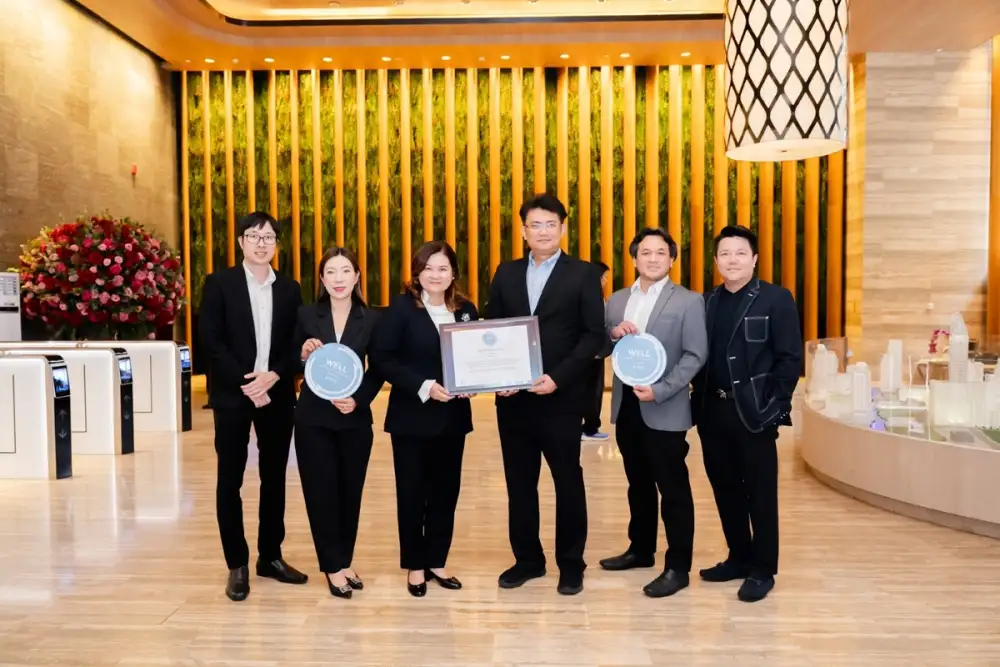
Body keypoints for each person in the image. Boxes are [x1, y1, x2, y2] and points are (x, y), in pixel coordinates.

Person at [486, 192, 605, 596]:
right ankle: (528, 560)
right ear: (523, 231)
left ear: (563, 228)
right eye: (534, 225)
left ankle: (571, 564)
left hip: (561, 398)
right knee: (520, 484)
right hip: (513, 400)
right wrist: (496, 376)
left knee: (567, 481)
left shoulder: (584, 274)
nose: (542, 231)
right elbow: (493, 330)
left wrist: (559, 377)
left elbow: (592, 335)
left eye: (550, 224)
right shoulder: (506, 273)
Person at [199, 211, 307, 602]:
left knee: (274, 477)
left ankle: (270, 556)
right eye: (254, 236)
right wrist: (249, 383)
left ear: (277, 244)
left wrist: (273, 376)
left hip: (276, 395)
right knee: (230, 480)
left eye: (269, 237)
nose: (262, 244)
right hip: (233, 395)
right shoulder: (219, 283)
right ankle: (237, 564)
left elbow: (295, 343)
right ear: (241, 241)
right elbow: (210, 342)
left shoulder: (290, 289)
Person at [691, 225, 803, 603]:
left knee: (760, 493)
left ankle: (762, 569)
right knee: (725, 490)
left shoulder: (775, 298)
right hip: (712, 411)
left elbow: (789, 359)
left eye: (740, 253)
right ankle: (738, 557)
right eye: (725, 253)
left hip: (753, 413)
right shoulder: (707, 302)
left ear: (754, 259)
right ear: (716, 261)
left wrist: (775, 408)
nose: (732, 260)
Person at [599, 228, 707, 598]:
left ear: (672, 259)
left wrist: (660, 390)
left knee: (673, 488)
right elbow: (601, 346)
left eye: (661, 252)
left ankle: (678, 566)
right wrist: (613, 334)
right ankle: (641, 549)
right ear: (634, 259)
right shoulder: (616, 300)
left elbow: (695, 355)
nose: (653, 258)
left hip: (665, 405)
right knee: (638, 484)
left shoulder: (689, 301)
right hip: (627, 405)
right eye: (645, 252)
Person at [369, 241, 477, 598]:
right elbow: (382, 358)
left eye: (443, 268)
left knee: (446, 493)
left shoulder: (465, 310)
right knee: (413, 492)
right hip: (411, 418)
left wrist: (474, 383)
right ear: (417, 273)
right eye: (428, 268)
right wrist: (424, 386)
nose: (435, 275)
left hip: (452, 417)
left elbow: (474, 357)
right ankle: (415, 565)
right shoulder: (400, 309)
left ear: (453, 273)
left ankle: (437, 561)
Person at [294, 247, 383, 600]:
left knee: (350, 493)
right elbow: (289, 357)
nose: (338, 279)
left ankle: (344, 560)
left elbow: (379, 368)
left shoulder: (372, 318)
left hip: (354, 418)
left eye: (345, 271)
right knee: (321, 494)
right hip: (313, 418)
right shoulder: (306, 314)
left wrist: (359, 399)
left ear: (357, 276)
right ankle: (331, 566)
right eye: (331, 272)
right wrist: (302, 353)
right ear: (322, 278)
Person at [582, 261, 611, 441]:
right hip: (591, 354)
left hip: (596, 352)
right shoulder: (591, 297)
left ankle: (590, 426)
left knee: (593, 390)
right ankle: (589, 428)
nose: (605, 281)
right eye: (604, 277)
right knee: (591, 391)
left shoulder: (597, 296)